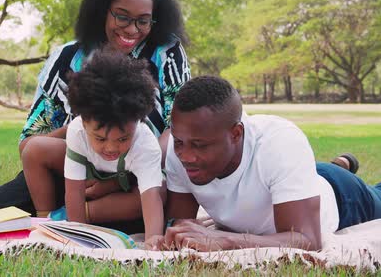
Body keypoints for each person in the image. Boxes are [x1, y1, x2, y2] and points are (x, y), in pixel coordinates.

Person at [0, 0, 191, 227]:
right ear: (102, 10)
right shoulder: (68, 57)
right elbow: (30, 142)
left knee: (153, 201)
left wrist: (123, 170)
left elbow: (180, 126)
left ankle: (68, 218)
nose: (132, 29)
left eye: (143, 21)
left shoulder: (166, 53)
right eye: (122, 16)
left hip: (142, 171)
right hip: (70, 172)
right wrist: (84, 140)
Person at [162, 76, 381, 251]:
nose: (186, 156)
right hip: (290, 178)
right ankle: (341, 162)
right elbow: (181, 223)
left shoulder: (279, 141)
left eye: (200, 145)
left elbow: (306, 239)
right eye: (180, 142)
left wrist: (225, 239)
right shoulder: (177, 150)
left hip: (343, 197)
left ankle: (340, 167)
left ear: (236, 133)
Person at [24, 50, 165, 249]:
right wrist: (78, 238)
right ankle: (46, 222)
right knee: (34, 148)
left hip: (125, 189)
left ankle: (59, 218)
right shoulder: (77, 130)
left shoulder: (146, 144)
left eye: (123, 138)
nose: (111, 147)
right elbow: (74, 190)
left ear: (138, 120)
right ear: (83, 121)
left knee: (162, 190)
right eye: (99, 138)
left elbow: (151, 198)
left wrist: (152, 241)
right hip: (91, 180)